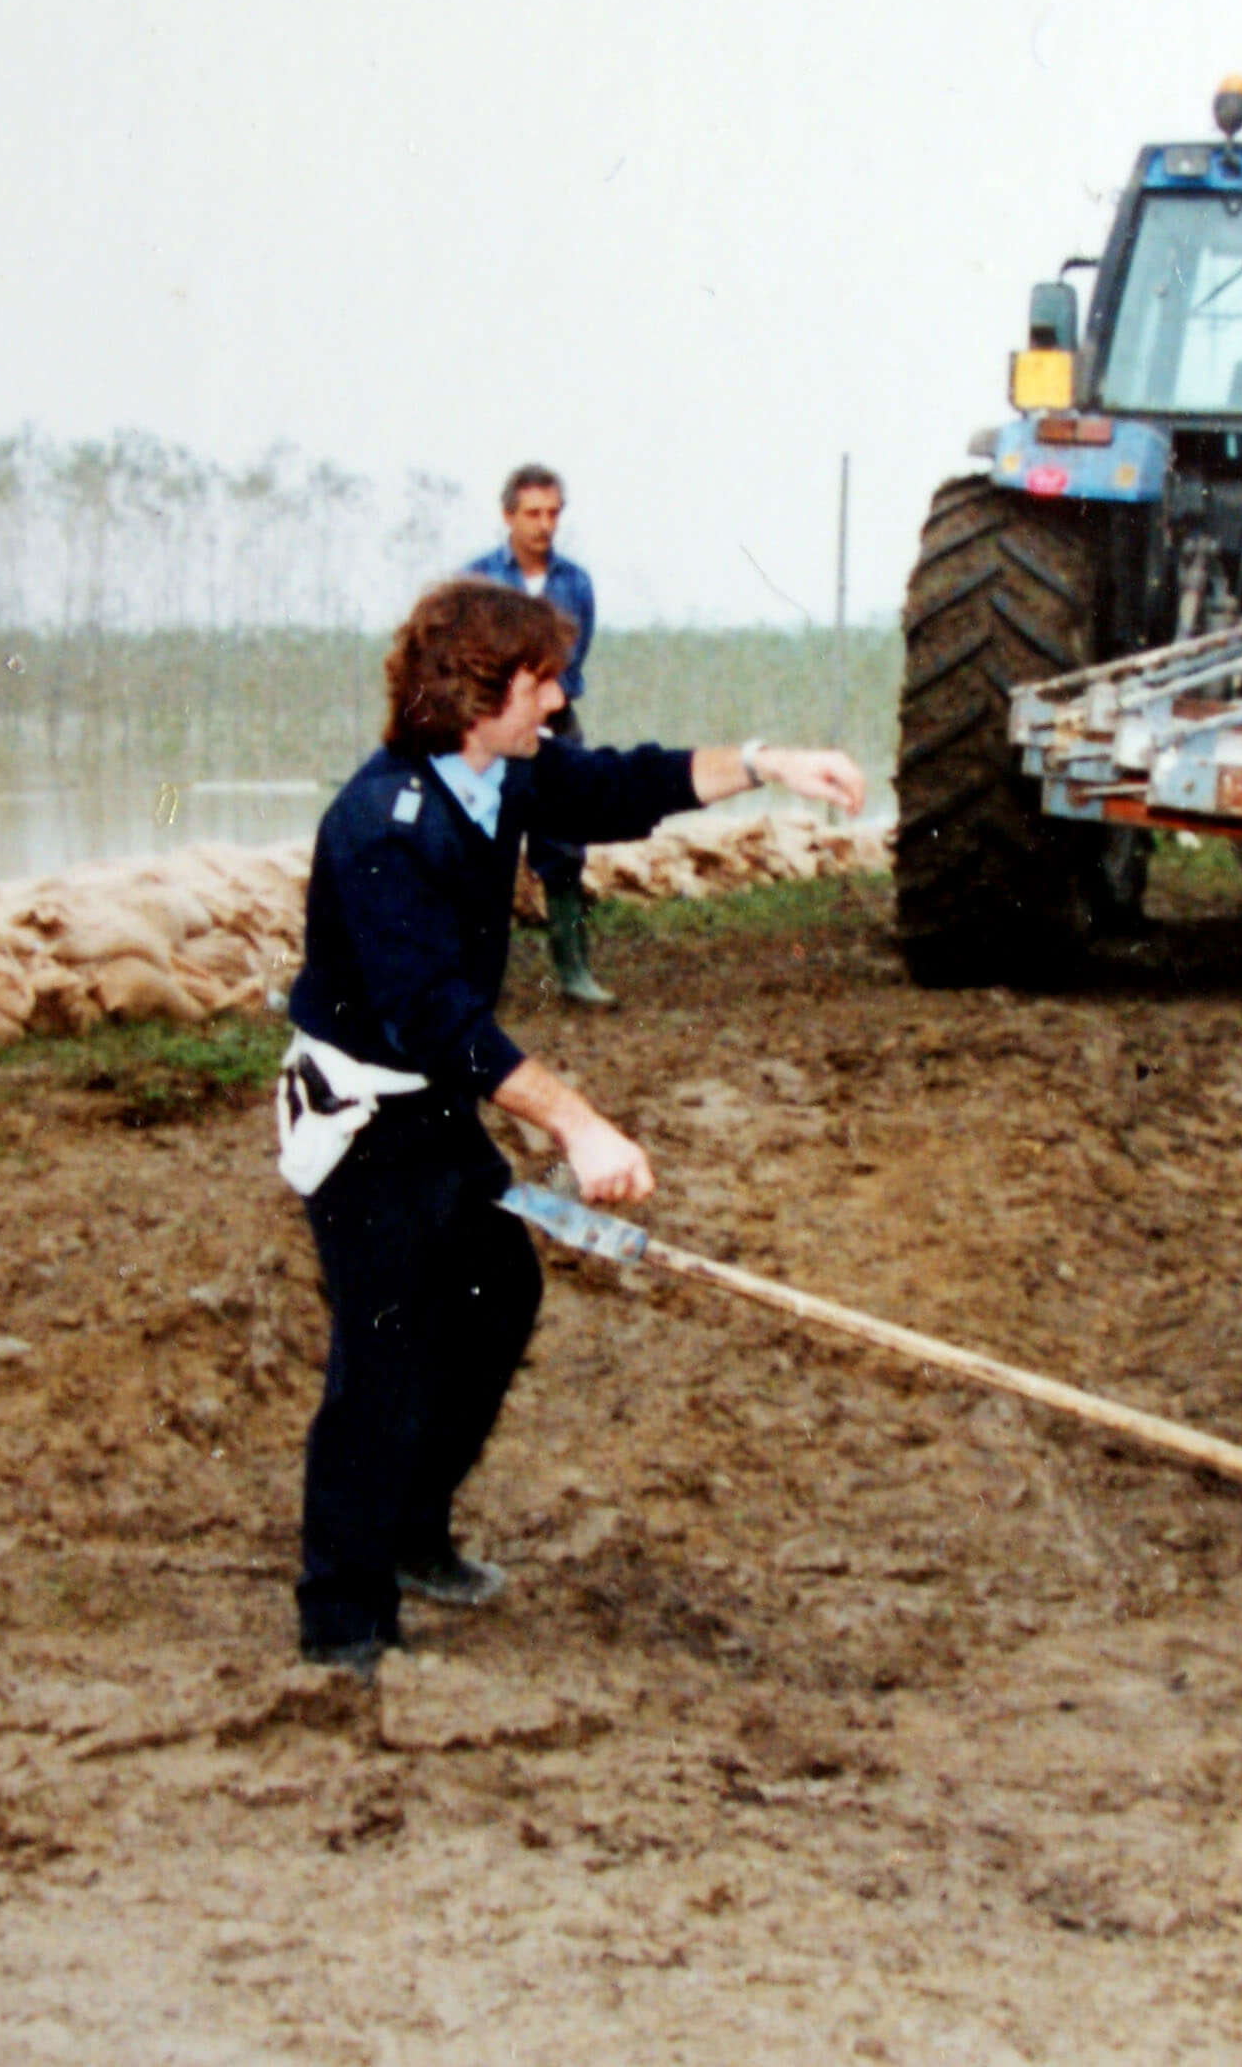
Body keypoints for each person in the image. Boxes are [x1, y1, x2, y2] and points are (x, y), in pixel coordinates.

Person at [276, 577, 865, 1674]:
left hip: (435, 1103)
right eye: (542, 681)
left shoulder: (498, 778)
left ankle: (409, 1535)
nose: (558, 699)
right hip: (363, 1118)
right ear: (476, 693)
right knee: (386, 1354)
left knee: (497, 1290)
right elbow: (436, 1018)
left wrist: (767, 764)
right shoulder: (382, 824)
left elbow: (620, 782)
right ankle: (342, 1622)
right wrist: (577, 1125)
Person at [462, 464, 613, 1005]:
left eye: (553, 514)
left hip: (555, 729)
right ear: (508, 516)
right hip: (495, 732)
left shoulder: (575, 583)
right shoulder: (477, 579)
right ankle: (478, 979)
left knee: (564, 846)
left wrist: (550, 701)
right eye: (532, 513)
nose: (544, 525)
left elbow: (577, 658)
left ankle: (573, 973)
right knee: (483, 846)